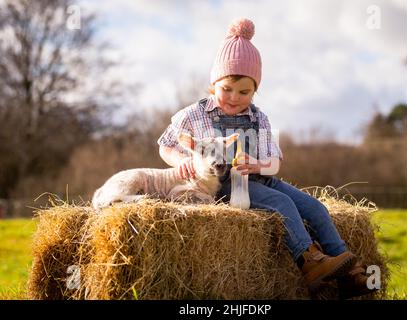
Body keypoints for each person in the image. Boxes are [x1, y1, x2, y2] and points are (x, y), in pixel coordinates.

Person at [158, 18, 376, 299]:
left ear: (255, 89)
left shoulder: (258, 118)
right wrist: (180, 161)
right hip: (225, 185)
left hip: (259, 178)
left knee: (314, 207)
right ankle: (309, 261)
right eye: (227, 89)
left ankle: (350, 273)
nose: (234, 98)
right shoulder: (193, 114)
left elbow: (274, 161)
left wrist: (258, 164)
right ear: (214, 84)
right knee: (281, 203)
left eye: (244, 91)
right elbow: (164, 145)